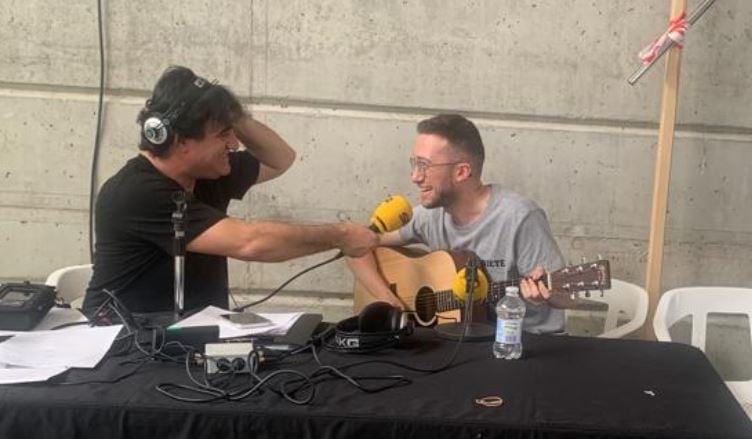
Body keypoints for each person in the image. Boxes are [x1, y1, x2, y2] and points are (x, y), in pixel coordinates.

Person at [83, 65, 378, 315]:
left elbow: (280, 158)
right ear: (180, 141)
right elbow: (250, 243)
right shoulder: (136, 193)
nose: (235, 144)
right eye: (223, 135)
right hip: (122, 351)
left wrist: (230, 113)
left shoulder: (210, 171)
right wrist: (341, 235)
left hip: (187, 345)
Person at [347, 114, 570, 334]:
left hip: (525, 345)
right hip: (460, 344)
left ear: (461, 171)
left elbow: (569, 294)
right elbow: (354, 246)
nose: (415, 176)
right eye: (414, 163)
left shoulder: (519, 217)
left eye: (424, 165)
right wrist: (390, 301)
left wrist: (544, 294)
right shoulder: (428, 217)